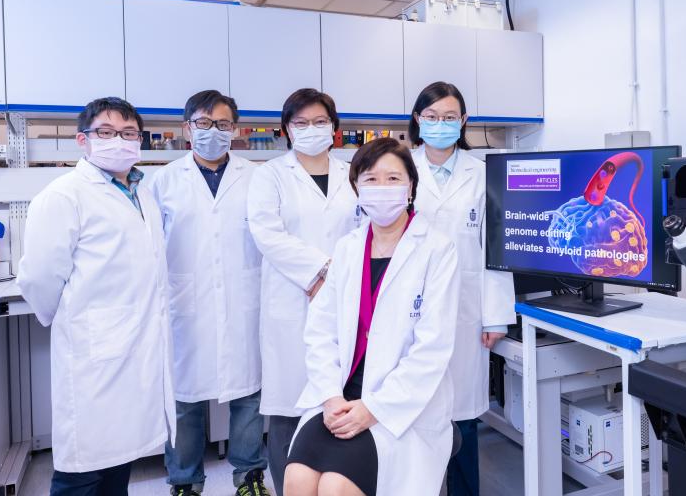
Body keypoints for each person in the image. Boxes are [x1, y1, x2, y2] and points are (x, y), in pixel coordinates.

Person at [284, 137, 461, 496]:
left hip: (400, 405)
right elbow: (319, 332)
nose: (382, 188)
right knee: (298, 480)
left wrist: (374, 408)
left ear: (411, 188)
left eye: (393, 179)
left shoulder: (437, 249)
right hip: (339, 395)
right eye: (370, 179)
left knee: (335, 487)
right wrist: (331, 396)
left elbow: (432, 349)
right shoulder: (348, 248)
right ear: (356, 188)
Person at [17, 97, 175, 495]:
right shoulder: (64, 195)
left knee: (117, 464)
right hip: (93, 351)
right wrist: (81, 321)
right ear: (82, 141)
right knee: (82, 472)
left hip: (135, 346)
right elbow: (39, 278)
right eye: (105, 133)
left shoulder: (143, 191)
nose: (118, 141)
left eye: (128, 133)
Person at [148, 90, 269, 496]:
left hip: (244, 300)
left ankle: (249, 477)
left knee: (248, 397)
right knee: (185, 403)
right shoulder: (161, 182)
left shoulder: (256, 177)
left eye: (222, 123)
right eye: (203, 123)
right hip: (185, 304)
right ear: (186, 129)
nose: (213, 131)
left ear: (234, 130)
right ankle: (184, 481)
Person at [247, 88, 362, 495]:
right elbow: (266, 233)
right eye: (301, 123)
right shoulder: (270, 175)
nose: (311, 129)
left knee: (337, 402)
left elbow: (366, 231)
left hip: (347, 299)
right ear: (286, 130)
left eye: (319, 122)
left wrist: (339, 276)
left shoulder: (353, 172)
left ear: (334, 129)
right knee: (287, 410)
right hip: (293, 300)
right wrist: (322, 270)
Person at [408, 81, 516, 496]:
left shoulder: (483, 172)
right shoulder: (400, 166)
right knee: (416, 411)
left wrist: (497, 315)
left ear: (464, 121)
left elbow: (496, 248)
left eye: (449, 117)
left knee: (462, 415)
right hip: (411, 305)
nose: (440, 124)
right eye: (431, 117)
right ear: (418, 120)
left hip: (467, 308)